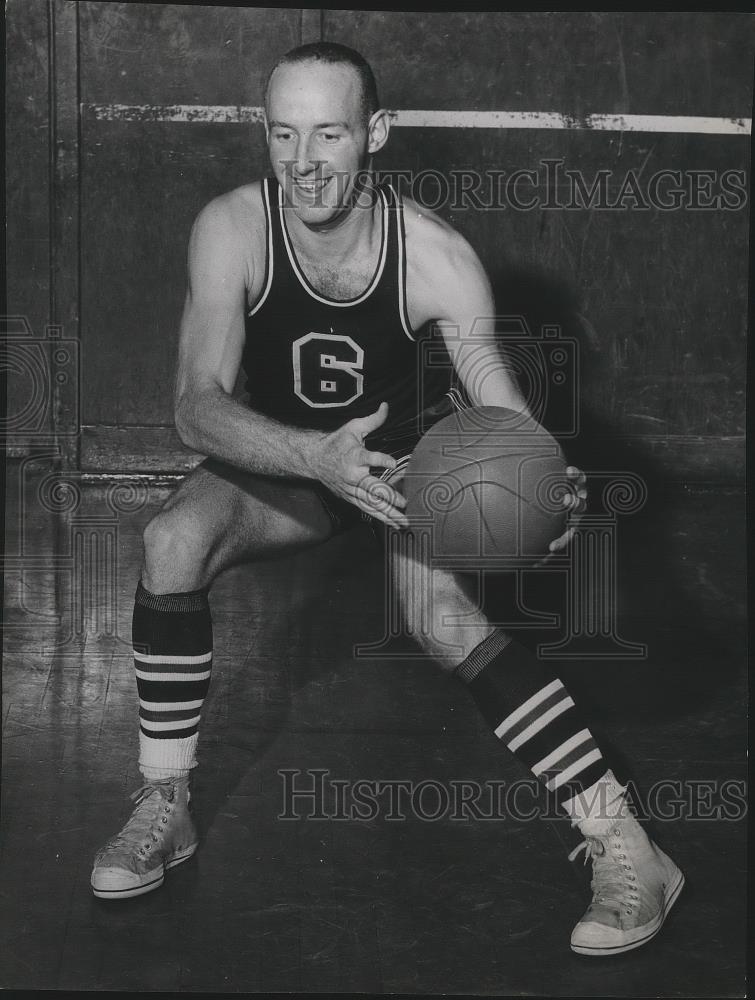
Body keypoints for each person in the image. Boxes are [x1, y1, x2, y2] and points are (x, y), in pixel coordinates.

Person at [90, 42, 683, 956]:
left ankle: (626, 843)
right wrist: (314, 461)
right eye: (283, 132)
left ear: (375, 134)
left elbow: (499, 408)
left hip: (411, 473)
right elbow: (195, 408)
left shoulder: (437, 257)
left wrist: (544, 489)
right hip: (291, 457)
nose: (302, 160)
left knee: (440, 620)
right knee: (171, 540)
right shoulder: (233, 227)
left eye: (327, 133)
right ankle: (164, 803)